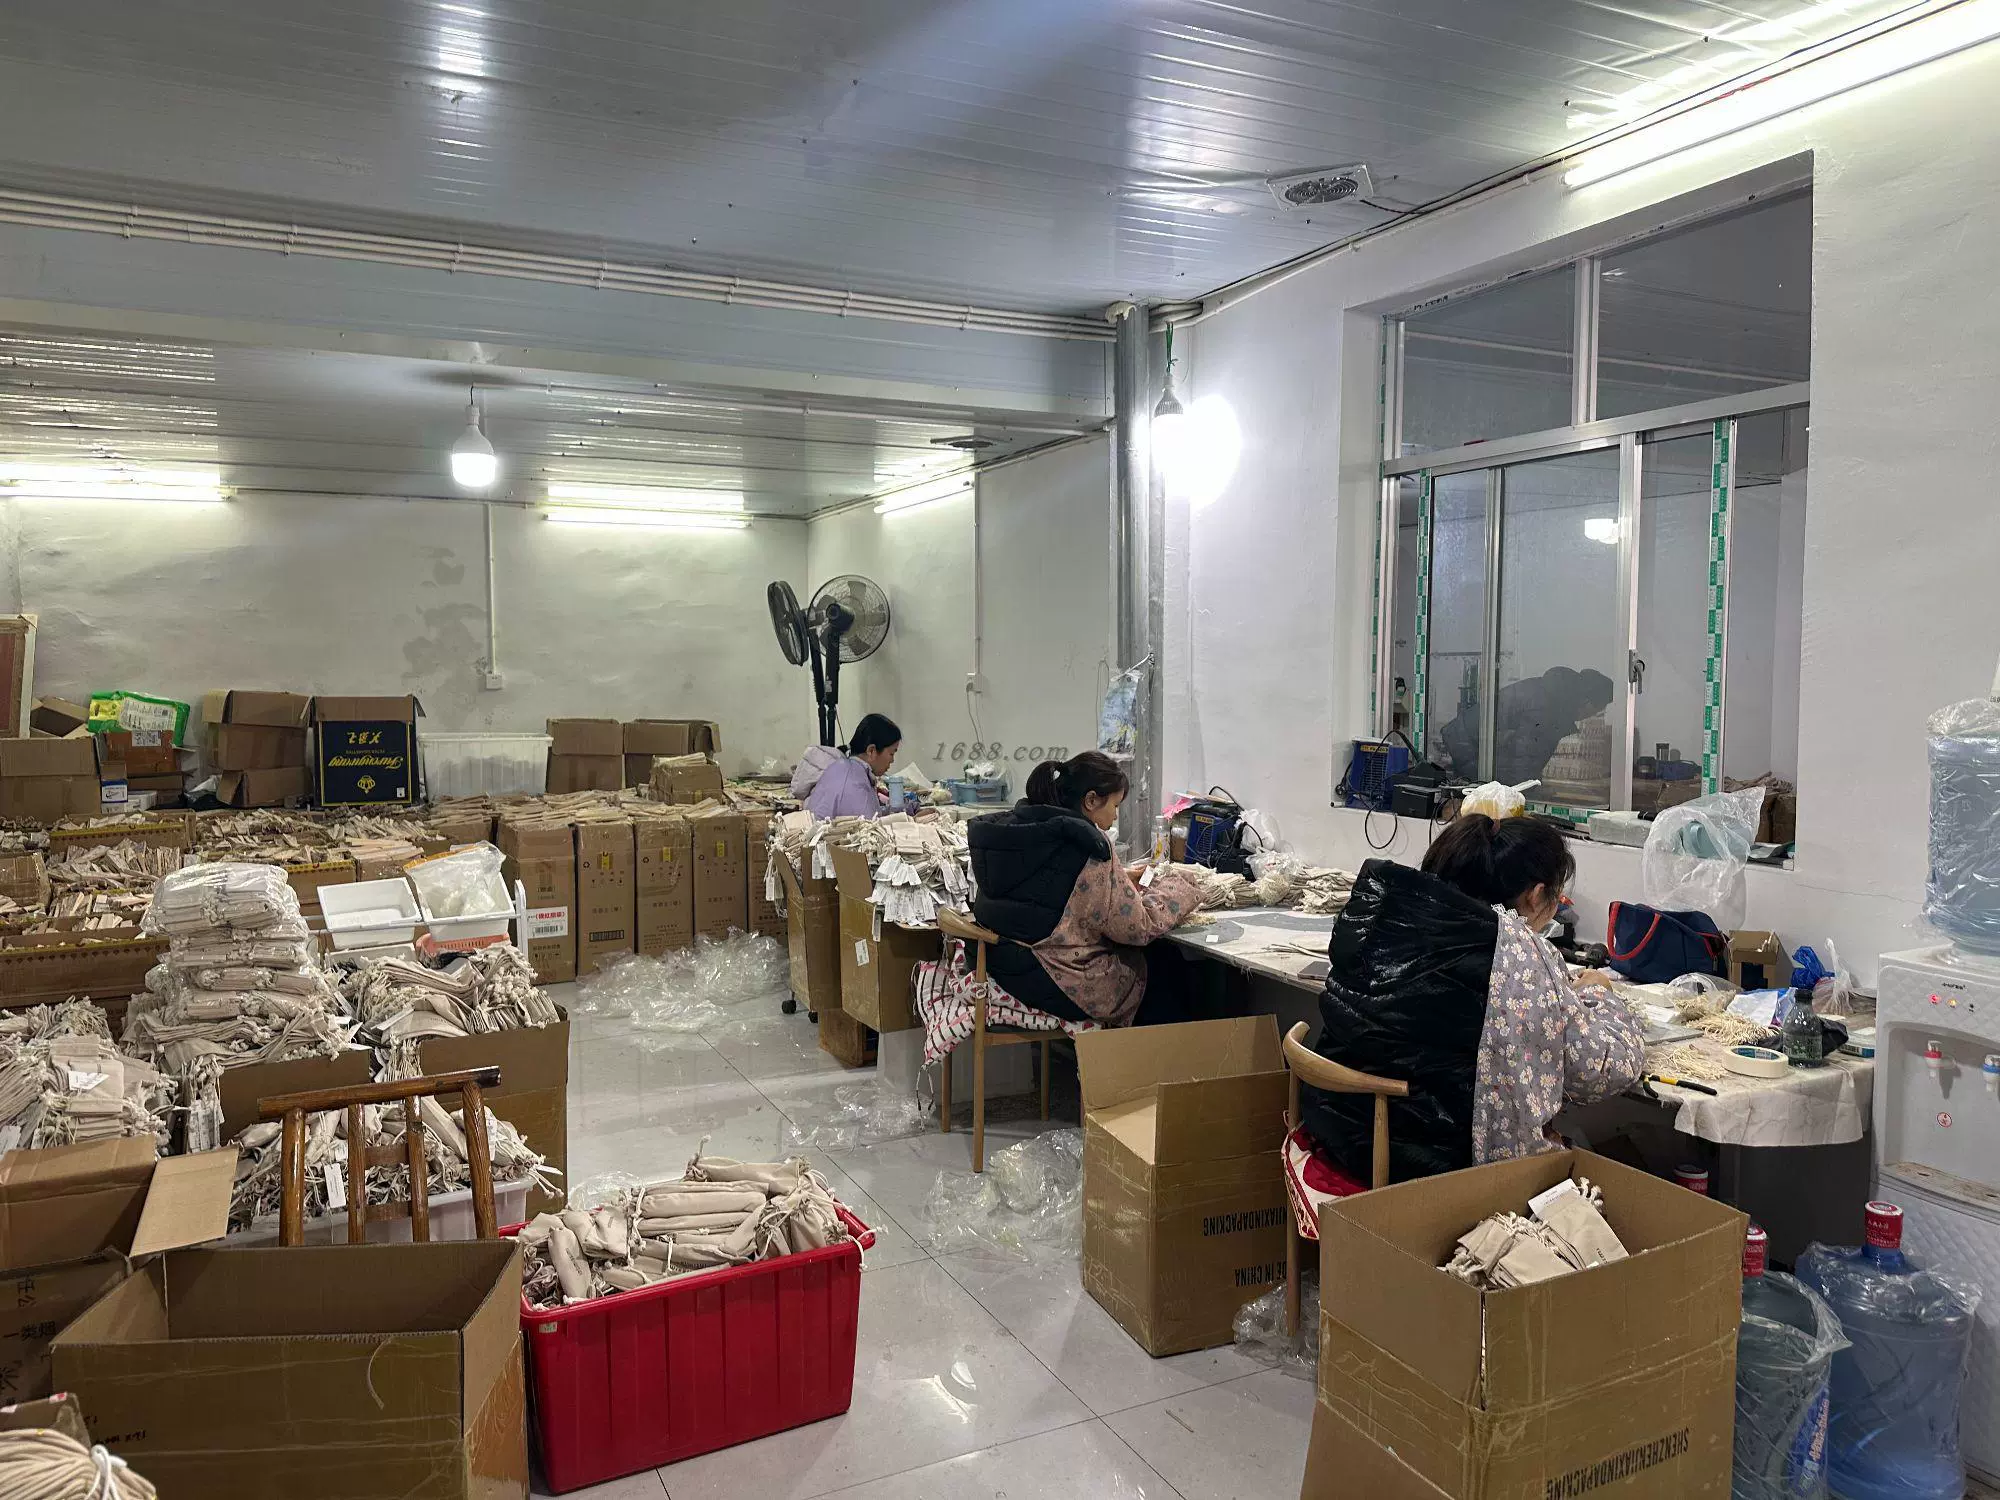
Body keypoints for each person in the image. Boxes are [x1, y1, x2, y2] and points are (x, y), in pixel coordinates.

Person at [1302, 813, 1644, 1185]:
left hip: (1341, 1131)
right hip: (1434, 1170)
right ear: (1535, 896)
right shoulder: (1517, 952)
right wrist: (1600, 993)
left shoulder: (1390, 912)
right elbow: (1599, 1072)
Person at [968, 751, 1206, 1026]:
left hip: (1005, 965)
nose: (1115, 816)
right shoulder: (1088, 846)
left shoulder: (1018, 831)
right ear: (1091, 800)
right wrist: (1180, 885)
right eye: (1115, 805)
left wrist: (1117, 880)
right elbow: (1137, 928)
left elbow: (1049, 891)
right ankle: (1164, 1052)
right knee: (1165, 963)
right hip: (1052, 978)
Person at [800, 713, 901, 819]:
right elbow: (867, 825)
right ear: (871, 751)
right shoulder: (855, 783)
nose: (892, 760)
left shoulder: (844, 767)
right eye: (891, 754)